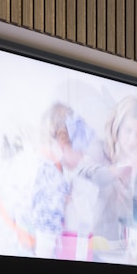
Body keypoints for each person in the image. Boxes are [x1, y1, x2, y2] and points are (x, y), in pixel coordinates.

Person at [76, 96, 137, 242]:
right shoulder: (99, 149)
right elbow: (82, 174)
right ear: (117, 126)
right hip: (94, 243)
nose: (132, 140)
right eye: (128, 130)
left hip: (124, 246)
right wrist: (119, 171)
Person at [31, 102, 90, 257]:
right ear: (63, 140)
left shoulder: (45, 163)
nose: (83, 156)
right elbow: (45, 240)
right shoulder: (52, 181)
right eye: (81, 149)